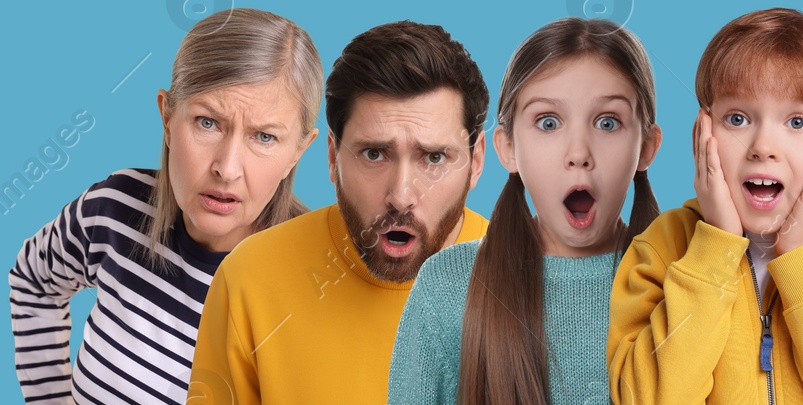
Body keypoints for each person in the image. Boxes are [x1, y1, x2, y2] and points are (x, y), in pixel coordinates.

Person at [8, 9, 320, 404]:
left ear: (298, 150)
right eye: (208, 122)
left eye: (264, 136)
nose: (226, 168)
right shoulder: (113, 209)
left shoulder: (315, 281)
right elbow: (33, 281)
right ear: (168, 116)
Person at [607, 8, 803, 404]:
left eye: (797, 122)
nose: (762, 148)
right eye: (737, 118)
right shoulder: (660, 247)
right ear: (702, 134)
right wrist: (715, 247)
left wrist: (799, 257)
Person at [185, 20, 490, 404]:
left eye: (433, 157)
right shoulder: (249, 278)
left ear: (476, 161)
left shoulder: (538, 291)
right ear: (332, 156)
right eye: (374, 154)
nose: (400, 196)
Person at [388, 18, 662, 405]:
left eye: (607, 122)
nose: (579, 154)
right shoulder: (450, 288)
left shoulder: (687, 282)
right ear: (508, 147)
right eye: (548, 122)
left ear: (647, 147)